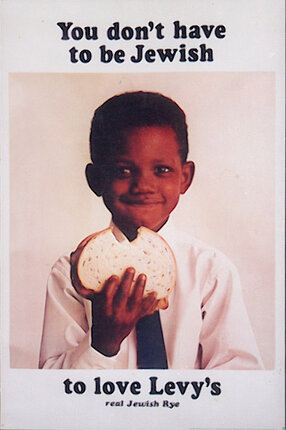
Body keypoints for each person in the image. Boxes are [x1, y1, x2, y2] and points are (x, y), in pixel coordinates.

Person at [39, 91, 263, 369]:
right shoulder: (71, 273)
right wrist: (102, 342)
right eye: (123, 170)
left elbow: (238, 375)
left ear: (185, 177)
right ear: (96, 179)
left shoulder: (210, 270)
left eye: (162, 169)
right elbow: (51, 387)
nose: (143, 186)